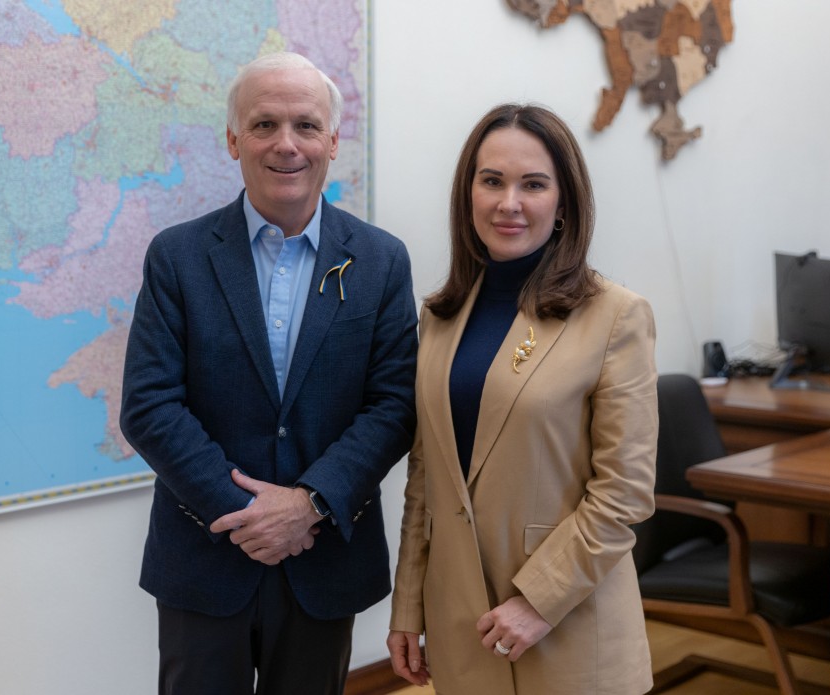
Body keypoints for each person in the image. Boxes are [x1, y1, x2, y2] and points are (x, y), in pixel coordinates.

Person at [120, 51, 417, 695]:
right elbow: (150, 405)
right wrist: (253, 516)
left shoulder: (381, 260)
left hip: (324, 561)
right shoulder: (177, 257)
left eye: (307, 126)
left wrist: (308, 506)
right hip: (205, 558)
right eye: (264, 125)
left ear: (334, 141)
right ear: (233, 139)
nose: (287, 144)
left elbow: (394, 406)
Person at [387, 103, 658, 694]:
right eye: (492, 181)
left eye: (533, 184)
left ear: (564, 203)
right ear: (469, 195)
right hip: (464, 626)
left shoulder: (615, 316)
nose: (509, 202)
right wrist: (408, 604)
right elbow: (426, 476)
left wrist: (538, 600)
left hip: (568, 622)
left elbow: (624, 494)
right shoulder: (440, 317)